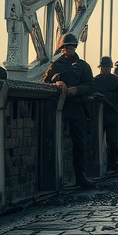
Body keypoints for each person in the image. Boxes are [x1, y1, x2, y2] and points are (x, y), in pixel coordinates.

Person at [42, 33, 96, 189]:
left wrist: (77, 90)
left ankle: (80, 175)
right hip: (58, 108)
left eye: (71, 46)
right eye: (66, 46)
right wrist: (56, 82)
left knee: (79, 143)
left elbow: (91, 87)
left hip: (77, 106)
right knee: (52, 141)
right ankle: (52, 177)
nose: (69, 49)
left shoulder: (83, 66)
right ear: (62, 48)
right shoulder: (54, 65)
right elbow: (44, 82)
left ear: (75, 47)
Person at [94, 55, 118, 172]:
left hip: (113, 114)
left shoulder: (117, 82)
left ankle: (114, 163)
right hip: (99, 115)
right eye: (104, 67)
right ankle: (97, 165)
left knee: (112, 141)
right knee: (96, 140)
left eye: (107, 67)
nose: (105, 69)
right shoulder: (95, 80)